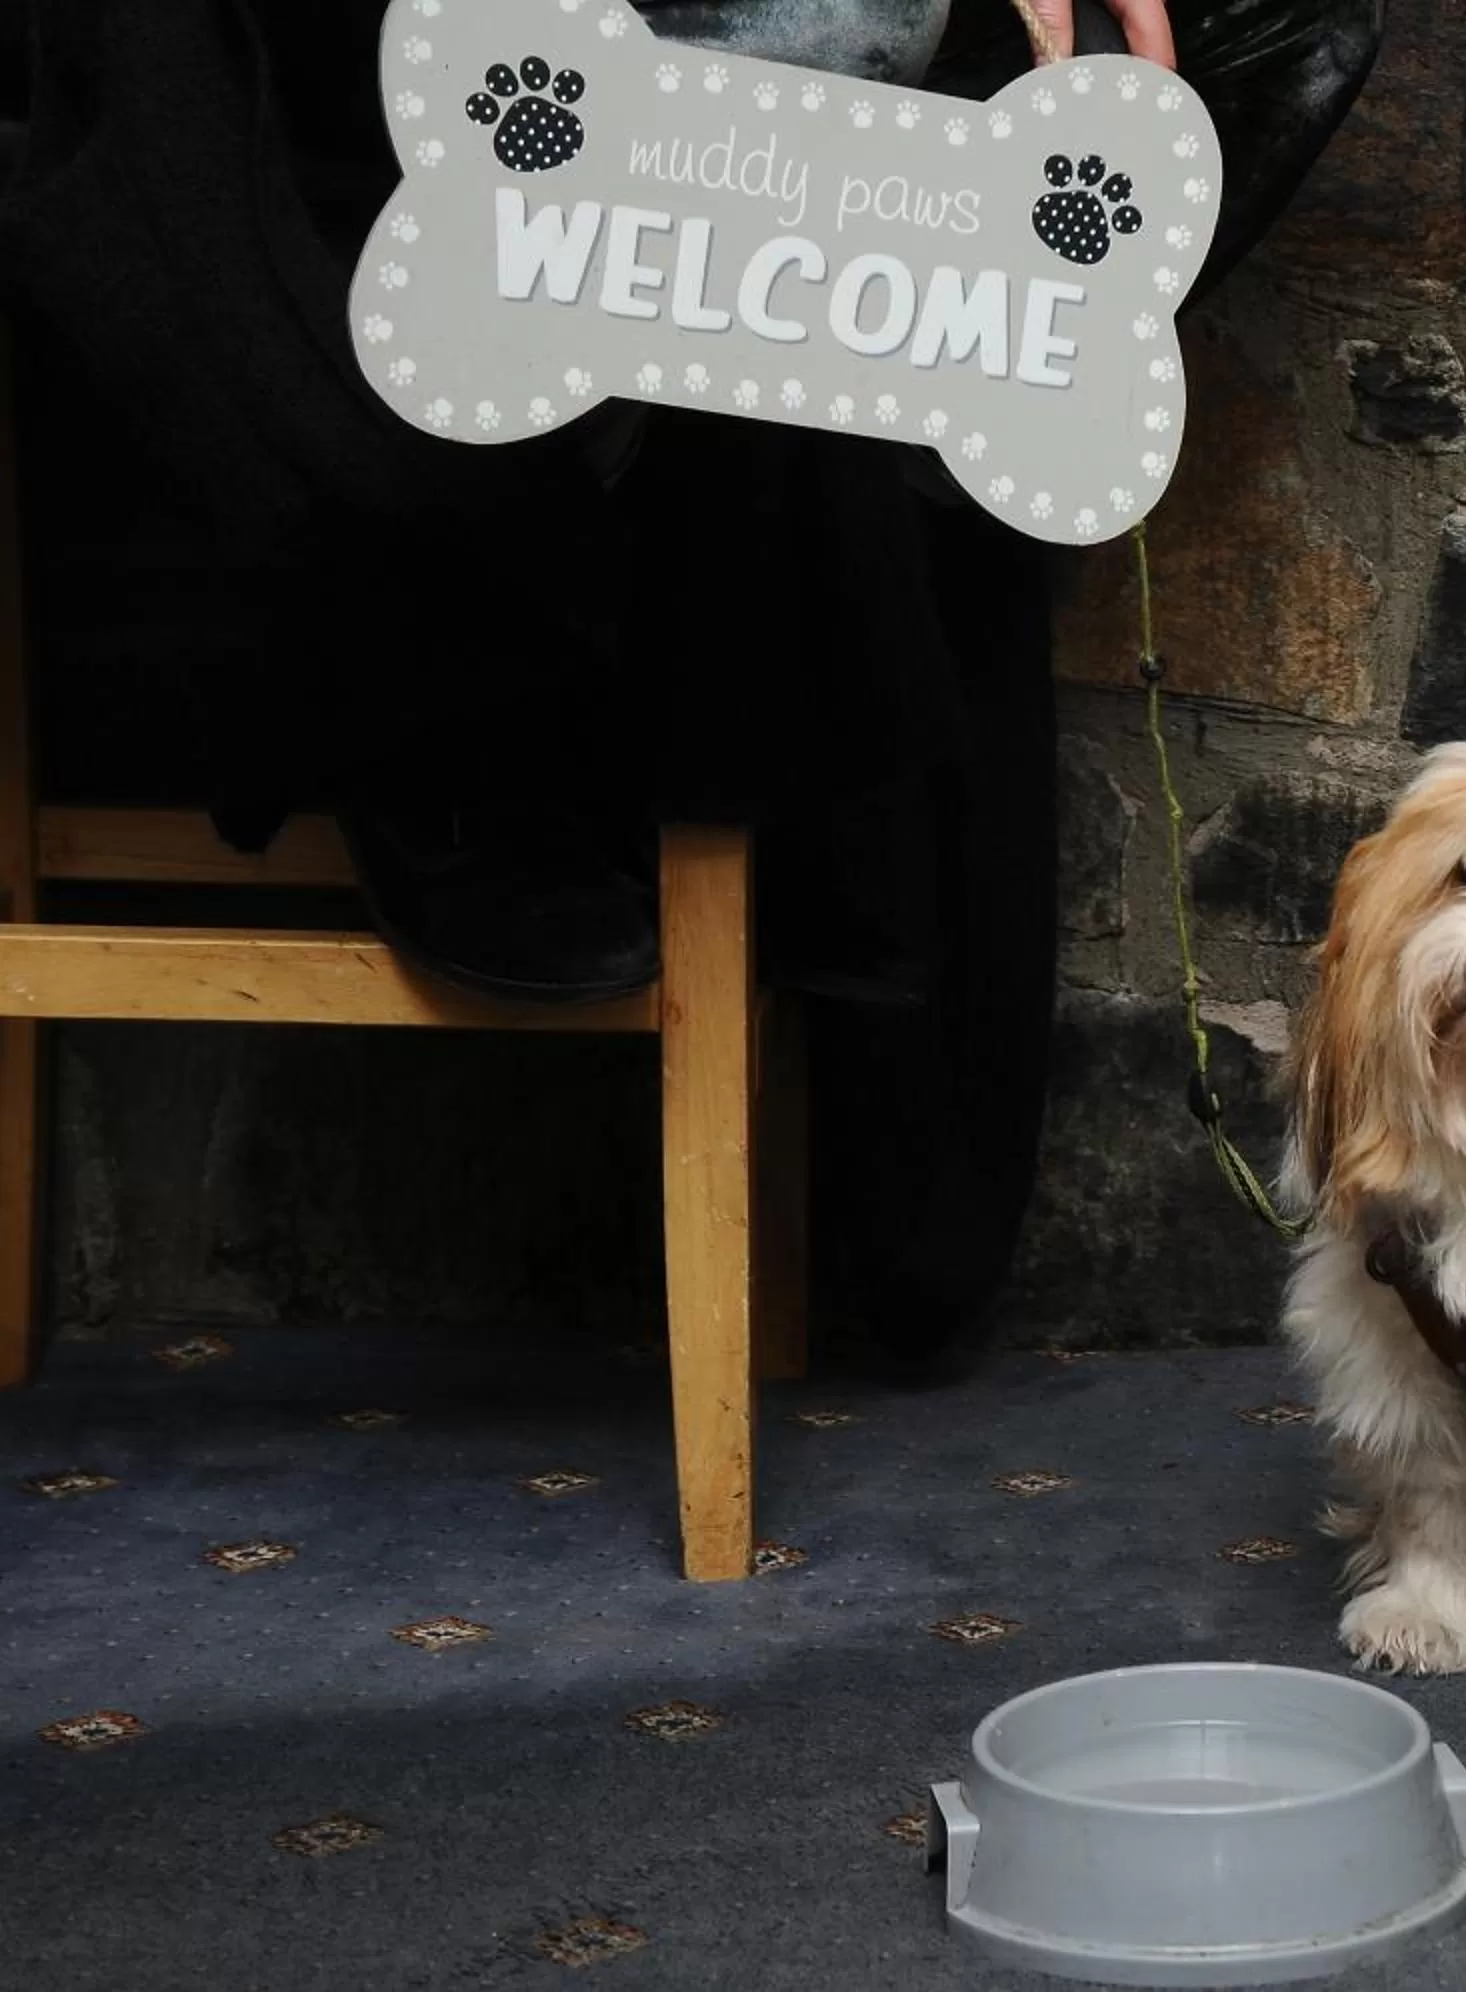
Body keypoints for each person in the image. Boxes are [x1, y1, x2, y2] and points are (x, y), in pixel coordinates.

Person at [0, 0, 1380, 1372]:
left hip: (736, 177)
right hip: (409, 215)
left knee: (1278, 25)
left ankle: (910, 427)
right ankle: (531, 667)